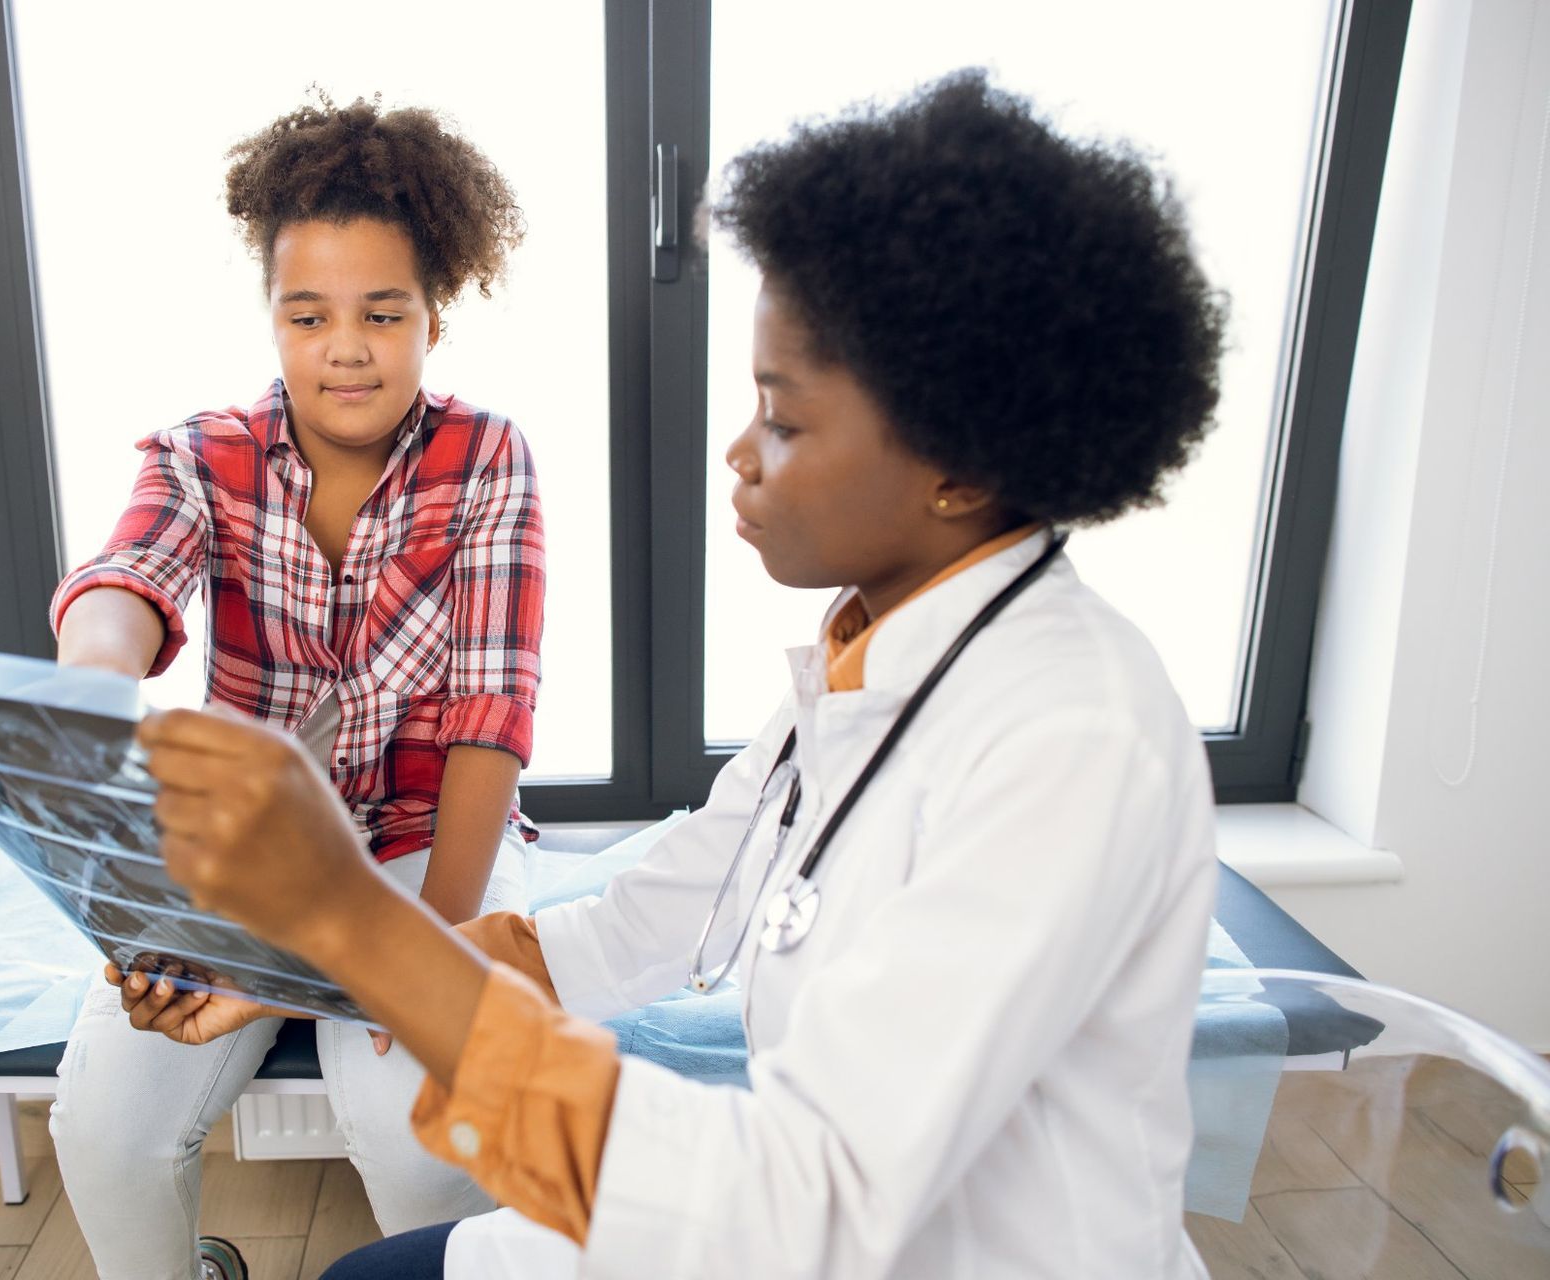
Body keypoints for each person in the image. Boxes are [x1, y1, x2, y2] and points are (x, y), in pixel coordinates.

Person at [135, 70, 1227, 1278]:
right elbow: (652, 913)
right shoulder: (882, 652)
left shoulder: (1069, 734)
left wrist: (349, 913)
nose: (738, 451)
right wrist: (324, 961)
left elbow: (807, 1201)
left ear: (960, 466)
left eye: (785, 419)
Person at [44, 95, 544, 1279]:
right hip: (255, 847)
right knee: (104, 1128)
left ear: (436, 313)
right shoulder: (198, 453)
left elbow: (487, 721)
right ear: (271, 316)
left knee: (418, 1138)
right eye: (307, 314)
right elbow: (127, 577)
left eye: (383, 312)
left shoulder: (490, 460)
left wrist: (435, 944)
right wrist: (94, 679)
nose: (346, 346)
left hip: (429, 839)